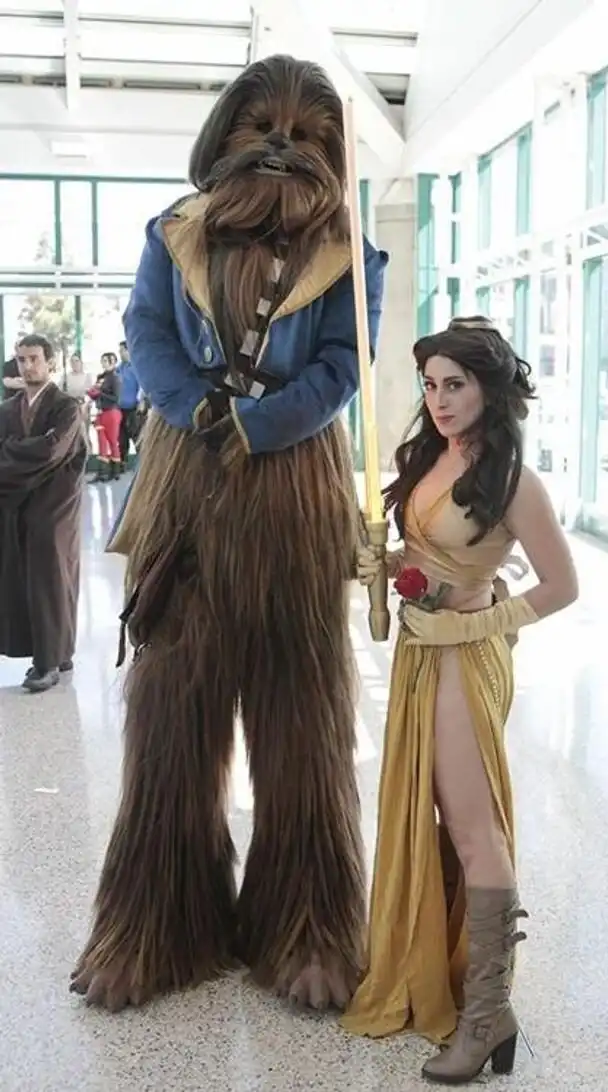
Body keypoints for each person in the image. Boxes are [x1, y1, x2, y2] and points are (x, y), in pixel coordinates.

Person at [70, 54, 388, 1014]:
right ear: (225, 136)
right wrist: (194, 407)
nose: (284, 147)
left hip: (293, 489)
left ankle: (309, 929)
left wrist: (257, 423)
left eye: (309, 134)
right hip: (188, 489)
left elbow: (343, 367)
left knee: (303, 717)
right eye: (264, 127)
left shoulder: (350, 255)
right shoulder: (174, 235)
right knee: (171, 712)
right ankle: (153, 929)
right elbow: (147, 334)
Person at [343, 316, 578, 1083]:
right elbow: (427, 553)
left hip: (465, 660)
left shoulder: (513, 481)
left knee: (474, 830)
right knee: (431, 813)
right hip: (419, 655)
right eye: (430, 385)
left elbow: (562, 587)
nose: (439, 400)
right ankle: (452, 983)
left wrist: (472, 623)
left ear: (490, 388)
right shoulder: (433, 457)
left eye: (455, 384)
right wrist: (386, 562)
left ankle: (487, 1016)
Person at [0, 334, 87, 692]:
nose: (27, 366)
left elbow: (53, 452)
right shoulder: (8, 409)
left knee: (51, 575)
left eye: (34, 358)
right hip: (17, 502)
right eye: (21, 359)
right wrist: (26, 449)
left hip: (56, 505)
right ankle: (56, 652)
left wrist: (13, 449)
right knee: (25, 578)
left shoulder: (67, 407)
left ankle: (48, 662)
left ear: (50, 362)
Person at [88, 353, 122, 482]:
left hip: (112, 412)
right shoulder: (100, 377)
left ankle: (115, 472)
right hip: (100, 412)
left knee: (112, 441)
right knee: (101, 441)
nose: (103, 363)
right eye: (102, 361)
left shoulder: (115, 378)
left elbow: (116, 398)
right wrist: (92, 394)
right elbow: (97, 394)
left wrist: (100, 394)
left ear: (112, 362)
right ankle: (102, 472)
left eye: (105, 361)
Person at [116, 340, 142, 470]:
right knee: (121, 438)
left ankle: (142, 463)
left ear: (128, 350)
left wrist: (141, 402)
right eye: (119, 350)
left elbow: (142, 386)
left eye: (122, 350)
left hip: (134, 408)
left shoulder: (136, 367)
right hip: (119, 408)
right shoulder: (119, 368)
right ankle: (122, 463)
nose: (120, 353)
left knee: (136, 436)